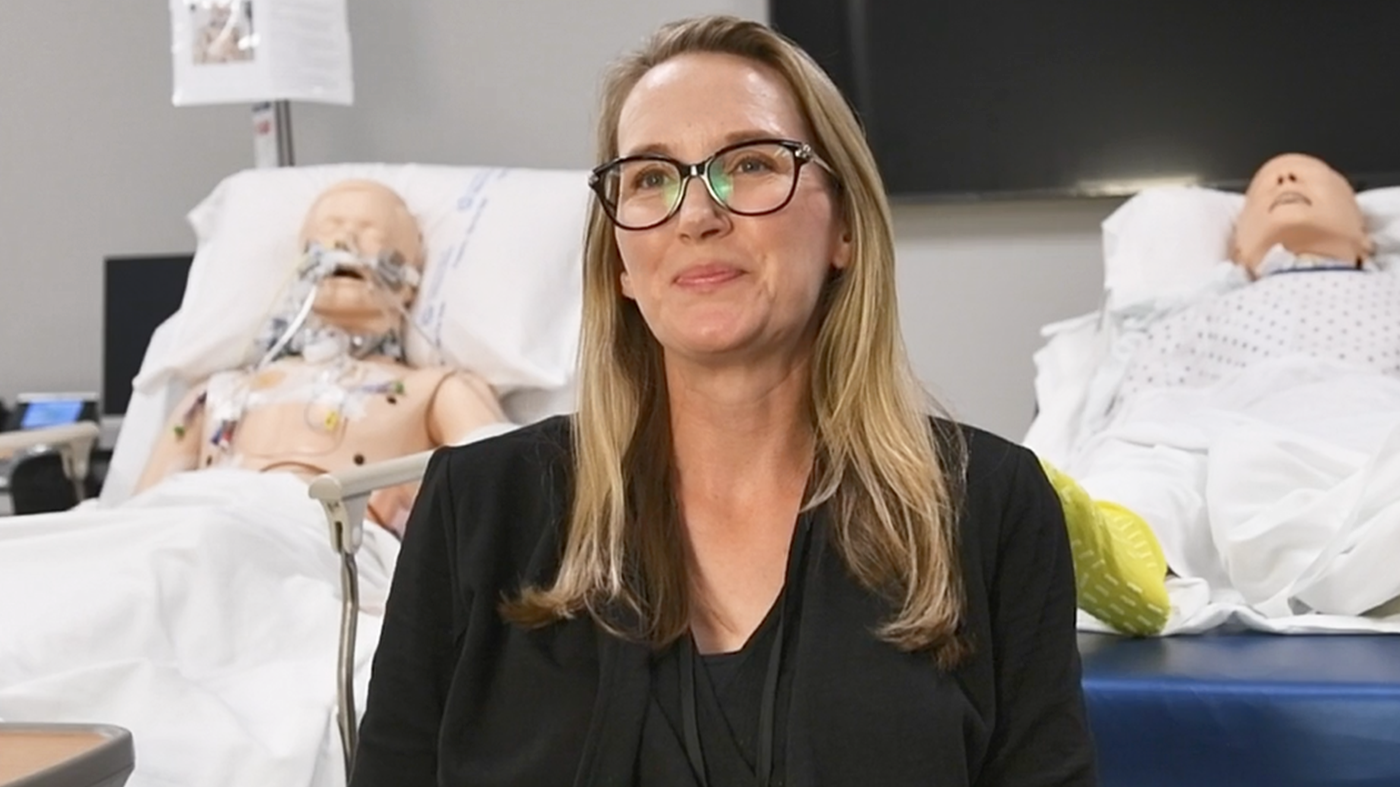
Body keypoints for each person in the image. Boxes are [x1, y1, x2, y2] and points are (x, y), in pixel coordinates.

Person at [350, 15, 1095, 786]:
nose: (698, 215)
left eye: (749, 163)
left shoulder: (989, 508)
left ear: (843, 225)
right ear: (621, 266)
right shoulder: (474, 512)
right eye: (649, 178)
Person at [136, 178, 508, 532]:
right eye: (330, 228)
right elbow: (135, 516)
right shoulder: (218, 394)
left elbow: (506, 495)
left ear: (407, 272)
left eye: (370, 232)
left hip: (330, 542)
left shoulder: (435, 390)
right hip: (195, 521)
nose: (344, 241)